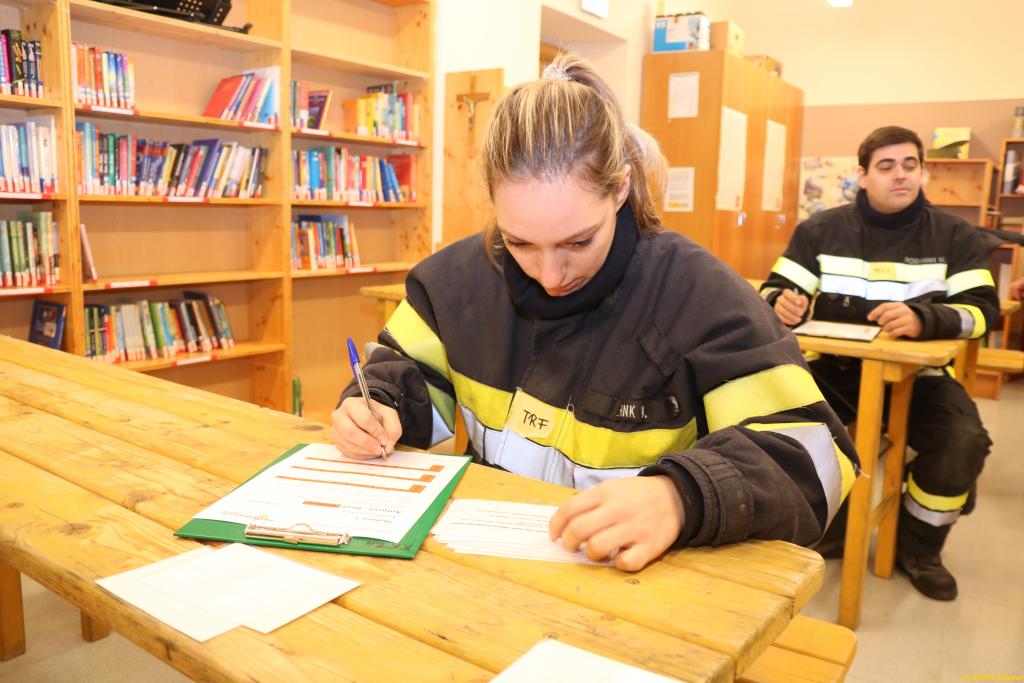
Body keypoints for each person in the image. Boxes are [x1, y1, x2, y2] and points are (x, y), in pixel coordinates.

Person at [331, 54, 858, 572]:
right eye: (519, 243)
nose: (549, 275)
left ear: (621, 188)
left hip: (642, 579)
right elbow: (406, 374)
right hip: (493, 563)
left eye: (578, 241)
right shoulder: (453, 282)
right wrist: (377, 404)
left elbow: (816, 457)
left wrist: (681, 496)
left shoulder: (702, 299)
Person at [760, 126, 1000, 601]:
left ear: (923, 172)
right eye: (886, 166)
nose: (900, 175)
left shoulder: (956, 235)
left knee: (963, 442)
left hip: (920, 377)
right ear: (863, 175)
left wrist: (924, 318)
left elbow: (982, 312)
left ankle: (919, 548)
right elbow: (774, 290)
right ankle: (829, 528)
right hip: (833, 370)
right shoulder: (820, 229)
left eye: (910, 165)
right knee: (775, 426)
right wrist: (780, 303)